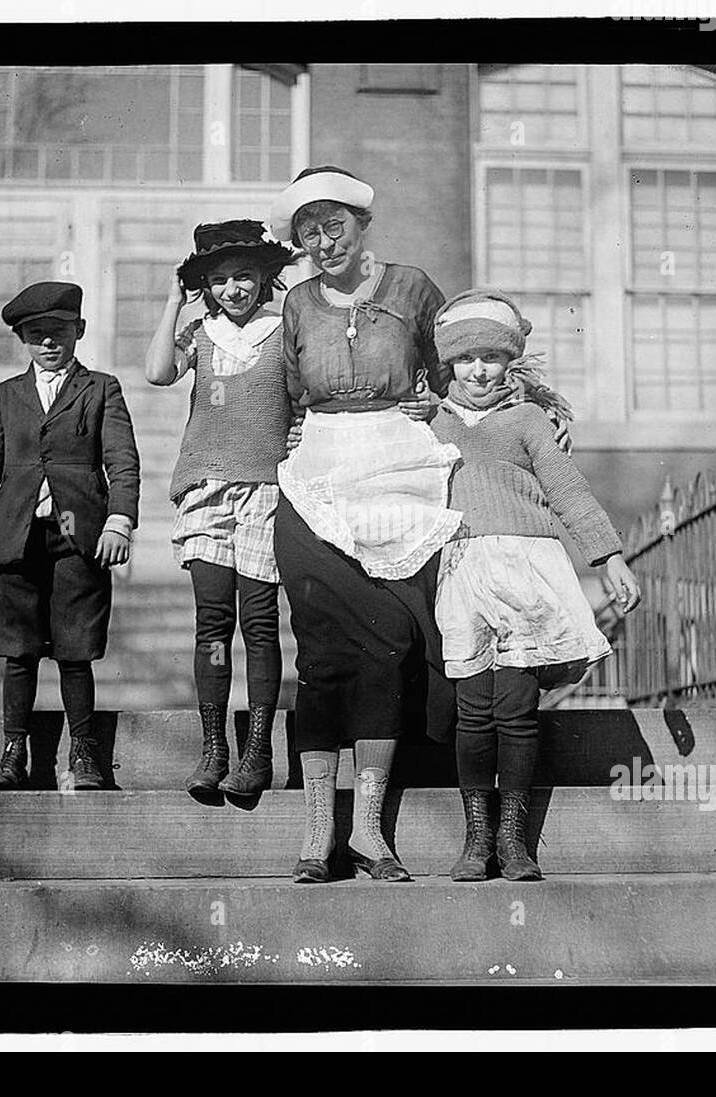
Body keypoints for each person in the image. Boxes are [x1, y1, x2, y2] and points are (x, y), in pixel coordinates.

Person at [269, 165, 458, 883]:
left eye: (335, 226)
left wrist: (447, 411)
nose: (323, 242)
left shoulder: (411, 287)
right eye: (309, 232)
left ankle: (370, 832)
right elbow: (284, 394)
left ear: (362, 225)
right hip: (316, 477)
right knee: (320, 658)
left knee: (390, 642)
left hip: (398, 473)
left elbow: (455, 371)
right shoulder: (296, 304)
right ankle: (320, 834)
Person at [427, 289, 642, 880]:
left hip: (527, 571)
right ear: (448, 364)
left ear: (509, 363)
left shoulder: (527, 421)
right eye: (466, 360)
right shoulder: (427, 420)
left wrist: (609, 557)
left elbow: (567, 490)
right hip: (460, 568)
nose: (477, 371)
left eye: (490, 359)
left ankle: (514, 839)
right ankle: (476, 838)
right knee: (473, 710)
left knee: (516, 708)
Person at [0, 281, 140, 791]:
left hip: (78, 539)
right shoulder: (7, 395)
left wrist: (118, 521)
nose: (49, 343)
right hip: (16, 537)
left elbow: (122, 463)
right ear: (22, 339)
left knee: (74, 649)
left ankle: (84, 755)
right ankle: (13, 753)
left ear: (78, 331)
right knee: (18, 651)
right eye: (37, 334)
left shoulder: (101, 388)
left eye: (59, 332)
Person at [145, 220, 296, 801]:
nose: (233, 289)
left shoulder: (282, 332)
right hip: (206, 493)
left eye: (244, 278)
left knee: (260, 625)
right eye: (220, 280)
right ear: (204, 287)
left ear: (264, 279)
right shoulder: (199, 336)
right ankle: (214, 748)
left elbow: (305, 401)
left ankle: (257, 752)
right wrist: (171, 305)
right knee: (213, 624)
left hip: (264, 492)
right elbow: (158, 373)